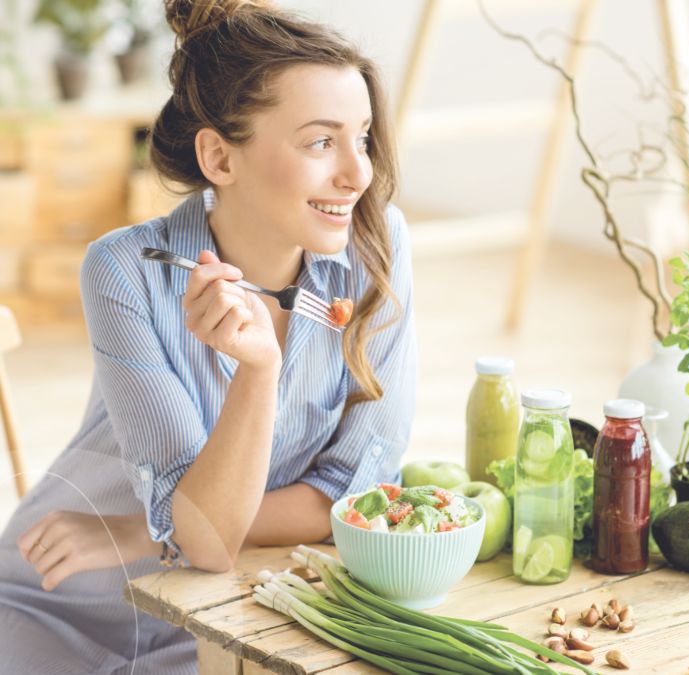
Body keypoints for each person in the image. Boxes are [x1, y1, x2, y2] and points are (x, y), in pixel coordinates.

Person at [0, 0, 416, 671]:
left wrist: (145, 531)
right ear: (219, 157)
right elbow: (208, 540)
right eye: (320, 142)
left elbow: (357, 492)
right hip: (59, 604)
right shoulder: (125, 270)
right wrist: (256, 373)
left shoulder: (377, 245)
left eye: (361, 138)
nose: (357, 173)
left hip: (225, 613)